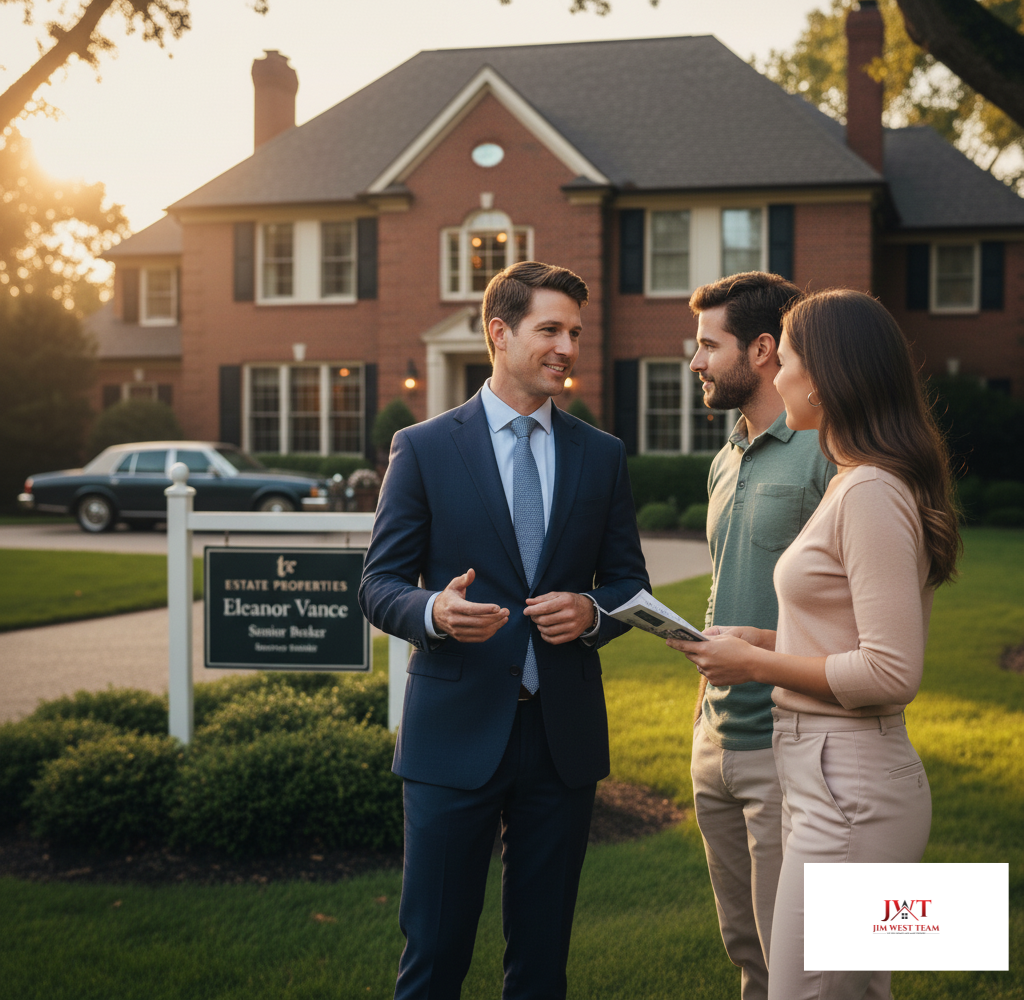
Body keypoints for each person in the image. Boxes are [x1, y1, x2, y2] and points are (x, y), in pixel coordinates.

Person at [358, 260, 650, 1000]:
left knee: (542, 961)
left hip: (562, 739)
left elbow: (629, 583)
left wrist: (592, 613)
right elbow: (378, 584)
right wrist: (432, 613)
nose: (568, 348)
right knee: (434, 954)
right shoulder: (423, 447)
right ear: (499, 332)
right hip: (452, 735)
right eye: (550, 329)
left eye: (575, 333)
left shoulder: (602, 454)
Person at [671, 289, 961, 1000]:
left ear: (827, 376)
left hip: (851, 788)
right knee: (839, 988)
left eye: (791, 357)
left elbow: (892, 670)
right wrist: (762, 637)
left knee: (806, 990)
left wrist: (755, 662)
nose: (783, 373)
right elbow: (850, 629)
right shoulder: (854, 484)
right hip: (829, 780)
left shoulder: (867, 490)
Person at [684, 271, 834, 1000]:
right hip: (715, 740)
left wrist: (759, 653)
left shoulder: (829, 454)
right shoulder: (725, 457)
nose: (696, 361)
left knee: (804, 961)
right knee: (748, 949)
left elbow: (861, 619)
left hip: (792, 743)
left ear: (764, 348)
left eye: (709, 345)